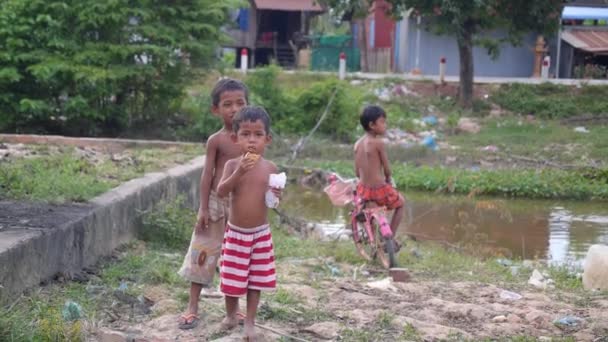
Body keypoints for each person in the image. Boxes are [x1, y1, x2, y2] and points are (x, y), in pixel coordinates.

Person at [177, 78, 248, 330]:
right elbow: (207, 175)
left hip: (242, 205)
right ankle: (192, 306)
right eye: (227, 104)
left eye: (240, 103)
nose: (234, 109)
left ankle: (234, 309)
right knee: (202, 252)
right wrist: (203, 208)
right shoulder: (216, 141)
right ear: (215, 110)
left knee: (236, 256)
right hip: (217, 204)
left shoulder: (251, 138)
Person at [217, 106, 281, 341]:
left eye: (258, 135)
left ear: (267, 139)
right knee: (232, 277)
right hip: (236, 233)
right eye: (245, 134)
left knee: (256, 279)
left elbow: (272, 203)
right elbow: (222, 191)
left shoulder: (270, 168)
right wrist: (239, 172)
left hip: (260, 234)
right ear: (236, 138)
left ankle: (250, 321)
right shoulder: (232, 165)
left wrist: (276, 196)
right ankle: (232, 314)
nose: (252, 140)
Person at [354, 104, 405, 240]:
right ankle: (390, 239)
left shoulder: (357, 144)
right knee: (401, 204)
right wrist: (388, 178)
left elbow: (357, 172)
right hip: (379, 189)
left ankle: (370, 230)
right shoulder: (378, 143)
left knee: (373, 209)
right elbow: (387, 169)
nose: (385, 125)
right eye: (382, 122)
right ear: (372, 125)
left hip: (364, 190)